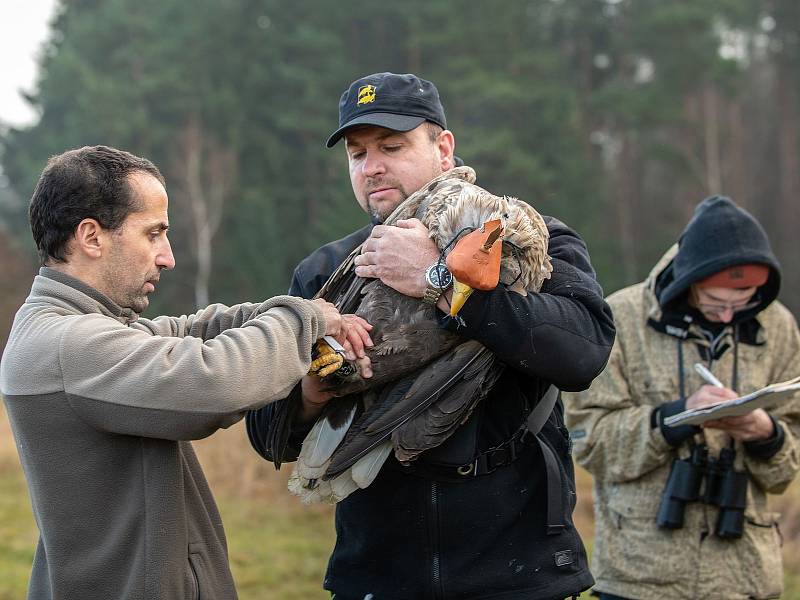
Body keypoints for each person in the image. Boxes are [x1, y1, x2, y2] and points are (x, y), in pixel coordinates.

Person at [247, 72, 616, 599]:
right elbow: (267, 434)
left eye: (392, 146)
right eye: (357, 154)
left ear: (444, 148)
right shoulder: (327, 270)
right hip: (380, 572)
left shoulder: (529, 235)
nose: (371, 166)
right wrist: (313, 391)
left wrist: (438, 280)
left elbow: (583, 351)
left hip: (520, 570)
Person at [0, 145, 370, 600]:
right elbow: (213, 381)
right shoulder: (67, 345)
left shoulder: (70, 329)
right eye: (153, 234)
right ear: (91, 237)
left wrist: (274, 311)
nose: (167, 256)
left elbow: (184, 331)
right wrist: (305, 320)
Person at [564, 196, 800, 600]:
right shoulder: (620, 318)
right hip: (638, 577)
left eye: (742, 303)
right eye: (716, 302)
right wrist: (673, 419)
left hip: (746, 578)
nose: (728, 315)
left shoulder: (778, 325)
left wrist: (766, 433)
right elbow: (590, 441)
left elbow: (786, 468)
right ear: (688, 282)